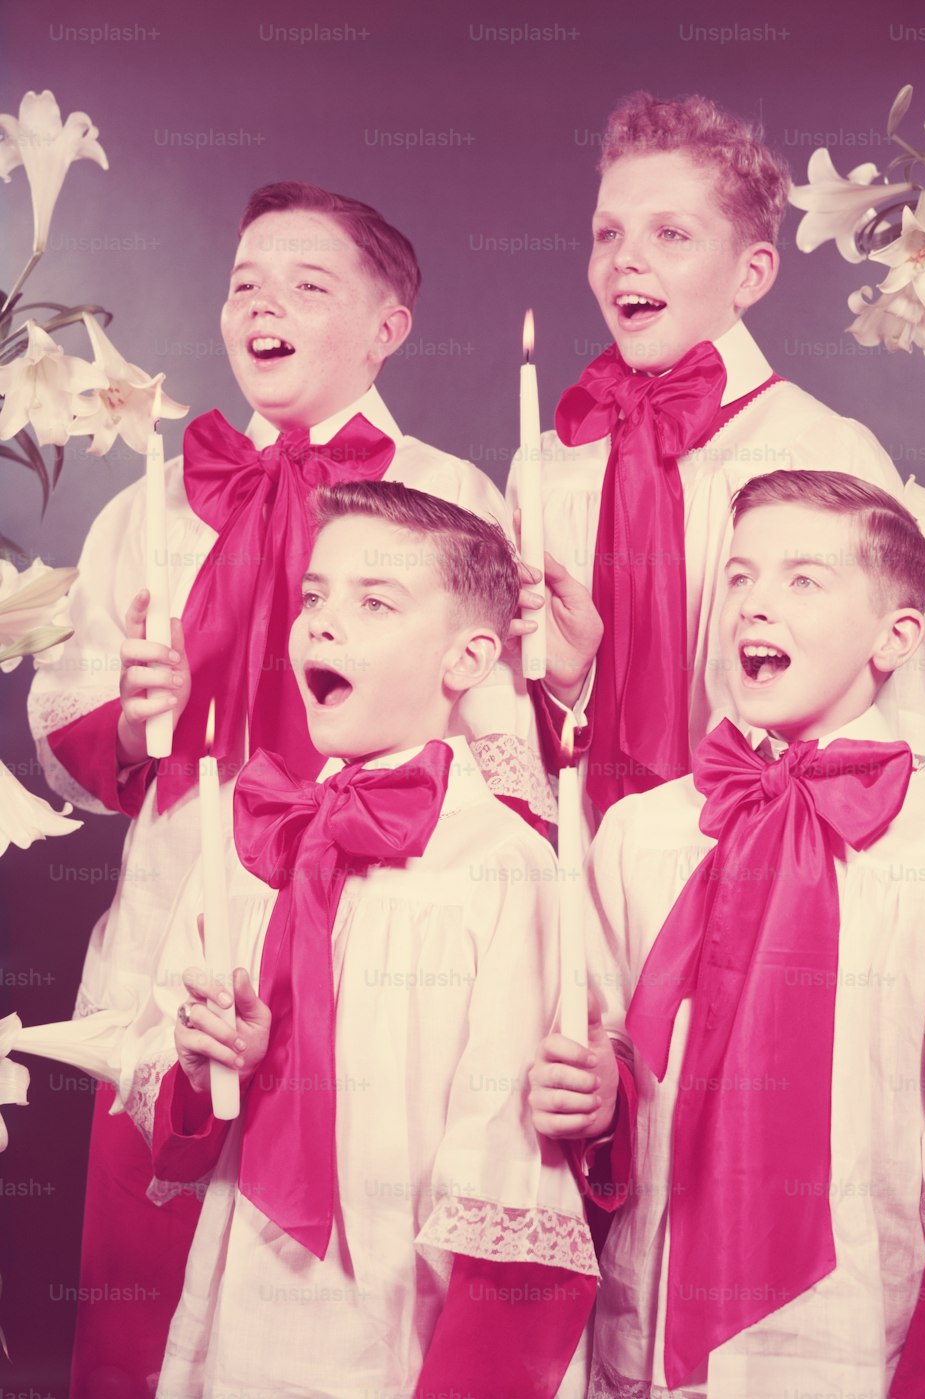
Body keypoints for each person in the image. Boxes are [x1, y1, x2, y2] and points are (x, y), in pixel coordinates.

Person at [27, 181, 547, 1398]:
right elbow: (67, 730)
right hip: (181, 932)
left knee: (337, 1278)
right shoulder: (152, 503)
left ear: (388, 326)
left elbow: (496, 743)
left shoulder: (455, 495)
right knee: (140, 1305)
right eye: (246, 282)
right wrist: (138, 721)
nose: (263, 305)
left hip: (380, 956)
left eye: (309, 285)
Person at [531, 470, 925, 1397]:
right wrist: (596, 1095)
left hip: (856, 1346)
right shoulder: (639, 833)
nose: (754, 606)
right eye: (739, 578)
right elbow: (605, 1045)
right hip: (645, 1340)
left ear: (897, 637)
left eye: (803, 581)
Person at [124, 480, 598, 1399]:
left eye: (375, 602)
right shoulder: (248, 836)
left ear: (468, 657)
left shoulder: (502, 866)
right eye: (314, 597)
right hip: (246, 1304)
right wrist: (205, 1059)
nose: (324, 624)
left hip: (398, 1325)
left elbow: (509, 1169)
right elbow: (163, 1081)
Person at [510, 93, 925, 824]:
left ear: (751, 274)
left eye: (671, 233)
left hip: (768, 871)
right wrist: (562, 684)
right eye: (607, 232)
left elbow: (894, 723)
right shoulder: (548, 468)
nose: (625, 260)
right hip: (587, 874)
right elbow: (504, 734)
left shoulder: (824, 452)